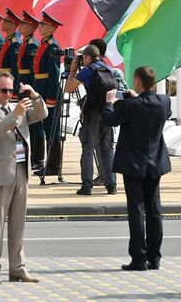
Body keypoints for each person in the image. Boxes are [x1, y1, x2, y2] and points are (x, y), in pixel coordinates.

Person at [0, 71, 48, 284]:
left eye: (11, 90)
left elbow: (42, 114)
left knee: (19, 224)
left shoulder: (18, 108)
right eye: (4, 90)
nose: (8, 94)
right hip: (0, 172)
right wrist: (14, 114)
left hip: (21, 170)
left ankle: (17, 267)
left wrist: (34, 95)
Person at [103, 66, 171, 272]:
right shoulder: (164, 102)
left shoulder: (129, 106)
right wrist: (135, 98)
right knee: (154, 210)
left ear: (138, 82)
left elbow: (109, 120)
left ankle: (139, 258)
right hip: (155, 162)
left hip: (134, 163)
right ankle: (155, 257)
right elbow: (153, 107)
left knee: (136, 210)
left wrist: (109, 103)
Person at [65, 44, 117, 195]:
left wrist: (73, 71)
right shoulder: (108, 69)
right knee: (107, 149)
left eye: (83, 58)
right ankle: (111, 185)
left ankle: (86, 186)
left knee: (88, 149)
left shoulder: (87, 71)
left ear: (87, 57)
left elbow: (68, 88)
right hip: (108, 112)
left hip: (92, 114)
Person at [33, 12, 63, 177]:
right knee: (46, 128)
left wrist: (51, 97)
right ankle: (49, 163)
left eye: (43, 25)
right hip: (40, 88)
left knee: (53, 130)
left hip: (48, 90)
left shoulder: (52, 46)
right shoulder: (44, 44)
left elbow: (54, 74)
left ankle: (54, 166)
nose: (40, 27)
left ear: (51, 28)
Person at [17, 11, 44, 170]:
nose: (20, 26)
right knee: (24, 123)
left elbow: (35, 71)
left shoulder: (32, 44)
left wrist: (33, 91)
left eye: (23, 23)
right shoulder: (26, 43)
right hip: (24, 84)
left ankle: (38, 158)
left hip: (30, 85)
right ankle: (29, 157)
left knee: (36, 125)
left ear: (31, 27)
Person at [0, 9, 22, 100]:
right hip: (3, 80)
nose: (2, 23)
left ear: (12, 25)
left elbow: (15, 67)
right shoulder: (8, 41)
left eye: (5, 21)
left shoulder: (14, 42)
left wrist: (14, 89)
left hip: (8, 83)